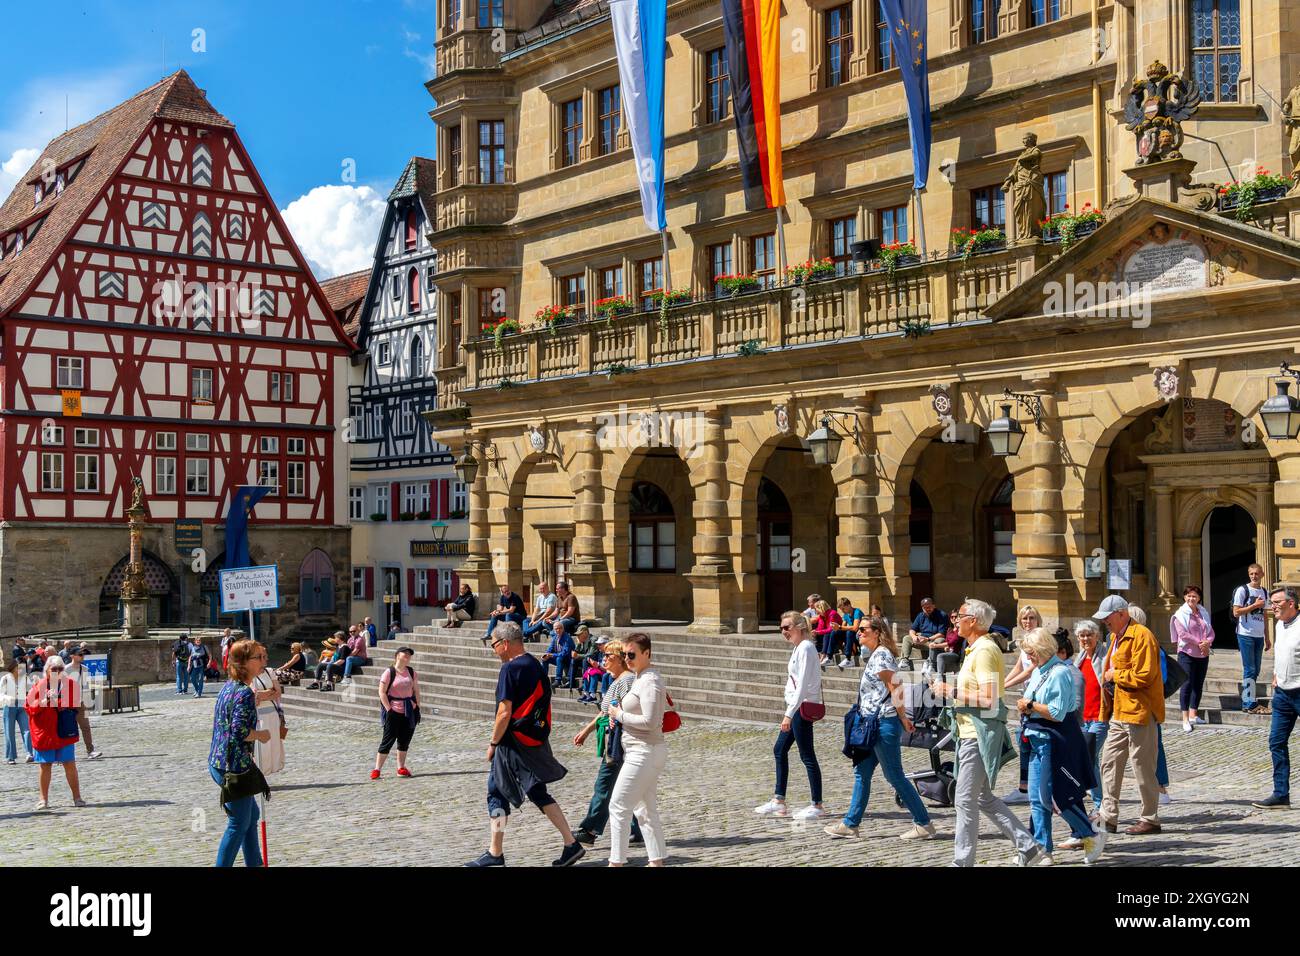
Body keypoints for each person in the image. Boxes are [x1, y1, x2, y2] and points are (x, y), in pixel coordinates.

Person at [931, 598, 1043, 867]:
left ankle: (962, 861)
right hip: (970, 730)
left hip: (977, 734)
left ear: (975, 621)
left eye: (960, 615)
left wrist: (951, 691)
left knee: (965, 799)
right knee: (982, 798)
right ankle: (1028, 846)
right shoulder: (974, 649)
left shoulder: (983, 650)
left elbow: (989, 699)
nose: (955, 619)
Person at [466, 621, 584, 867]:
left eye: (494, 645)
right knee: (537, 792)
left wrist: (493, 742)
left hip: (512, 742)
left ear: (505, 644)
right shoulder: (534, 664)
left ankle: (495, 853)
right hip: (534, 739)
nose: (494, 650)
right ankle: (571, 843)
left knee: (496, 793)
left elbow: (504, 712)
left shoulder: (509, 669)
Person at [824, 615, 936, 840]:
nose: (859, 633)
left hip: (883, 723)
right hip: (870, 725)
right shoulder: (875, 655)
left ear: (877, 631)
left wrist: (903, 718)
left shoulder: (882, 655)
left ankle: (924, 824)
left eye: (864, 629)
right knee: (861, 773)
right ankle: (851, 823)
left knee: (894, 775)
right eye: (860, 630)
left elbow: (896, 687)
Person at [1015, 627, 1105, 865]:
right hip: (1036, 740)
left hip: (1054, 742)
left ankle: (1090, 833)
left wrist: (1030, 705)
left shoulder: (1060, 673)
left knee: (1052, 798)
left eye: (1031, 652)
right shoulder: (1039, 671)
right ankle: (1042, 849)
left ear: (1043, 649)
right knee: (1036, 798)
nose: (1029, 657)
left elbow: (1057, 712)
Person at [1094, 594, 1164, 835]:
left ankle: (1150, 818)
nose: (1104, 622)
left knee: (1142, 767)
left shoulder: (1142, 636)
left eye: (1107, 617)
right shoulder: (1115, 637)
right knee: (1109, 762)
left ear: (1122, 614)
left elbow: (1144, 675)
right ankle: (1108, 815)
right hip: (1120, 711)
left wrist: (1115, 676)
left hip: (1139, 712)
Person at [571, 640, 644, 846]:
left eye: (608, 657)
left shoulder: (626, 681)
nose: (604, 660)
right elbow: (605, 711)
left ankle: (590, 830)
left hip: (619, 743)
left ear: (620, 659)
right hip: (614, 740)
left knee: (604, 785)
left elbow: (627, 710)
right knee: (623, 787)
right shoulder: (617, 680)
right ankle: (636, 829)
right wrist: (586, 731)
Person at [754, 611, 825, 820]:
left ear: (800, 626)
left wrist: (788, 714)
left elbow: (802, 685)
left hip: (801, 708)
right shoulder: (798, 647)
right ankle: (778, 800)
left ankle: (817, 804)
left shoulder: (806, 647)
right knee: (780, 749)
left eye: (787, 627)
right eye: (781, 628)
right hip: (796, 706)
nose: (783, 631)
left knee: (807, 755)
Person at [607, 633, 669, 866]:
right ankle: (657, 861)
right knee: (645, 809)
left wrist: (619, 715)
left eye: (631, 654)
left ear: (647, 653)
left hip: (645, 750)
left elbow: (651, 721)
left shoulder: (650, 680)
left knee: (619, 805)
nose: (627, 659)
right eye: (624, 655)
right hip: (641, 750)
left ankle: (616, 862)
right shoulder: (640, 677)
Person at [208, 640, 270, 867]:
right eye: (258, 657)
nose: (263, 661)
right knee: (238, 823)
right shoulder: (242, 692)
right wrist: (261, 735)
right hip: (233, 767)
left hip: (219, 761)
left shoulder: (230, 686)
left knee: (250, 817)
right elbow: (239, 731)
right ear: (244, 663)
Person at [1253, 586, 1300, 808]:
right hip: (1282, 694)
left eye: (1277, 602)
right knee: (1276, 742)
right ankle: (1281, 794)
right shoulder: (1280, 625)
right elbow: (1281, 653)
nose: (1273, 606)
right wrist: (1275, 675)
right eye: (1271, 602)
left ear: (1291, 603)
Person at [27, 656, 85, 809]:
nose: (57, 671)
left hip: (64, 731)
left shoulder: (70, 684)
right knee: (45, 766)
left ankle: (77, 798)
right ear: (47, 670)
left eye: (60, 669)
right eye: (54, 669)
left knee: (70, 764)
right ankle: (43, 799)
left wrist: (56, 702)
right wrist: (43, 702)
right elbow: (29, 708)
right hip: (45, 733)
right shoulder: (39, 685)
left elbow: (75, 703)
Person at [1001, 605, 1044, 804]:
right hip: (1026, 698)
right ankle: (1026, 786)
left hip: (1037, 698)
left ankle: (1027, 788)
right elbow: (1019, 667)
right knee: (1024, 742)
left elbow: (1030, 671)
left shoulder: (1039, 639)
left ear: (1038, 620)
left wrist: (1004, 686)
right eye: (1024, 618)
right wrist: (1001, 684)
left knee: (1030, 742)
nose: (1028, 622)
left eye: (1031, 618)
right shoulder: (1025, 641)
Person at [1073, 619, 1110, 812]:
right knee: (1088, 759)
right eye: (1082, 635)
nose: (1086, 638)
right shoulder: (1078, 659)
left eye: (1089, 634)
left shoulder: (1104, 657)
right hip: (1082, 718)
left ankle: (1099, 804)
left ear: (1097, 636)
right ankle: (1099, 802)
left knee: (1089, 757)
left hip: (1099, 716)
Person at [1170, 585, 1214, 732]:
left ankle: (1194, 714)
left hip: (1202, 653)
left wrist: (1208, 642)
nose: (1191, 598)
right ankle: (1185, 718)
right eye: (1189, 596)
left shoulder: (1203, 612)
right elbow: (1182, 634)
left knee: (1198, 684)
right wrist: (1200, 642)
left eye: (1194, 596)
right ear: (1184, 597)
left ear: (1199, 598)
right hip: (1186, 653)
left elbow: (1210, 630)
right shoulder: (1180, 614)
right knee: (1187, 684)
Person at [373, 647, 421, 779]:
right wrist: (389, 709)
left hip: (409, 710)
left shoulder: (411, 672)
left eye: (409, 654)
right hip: (393, 710)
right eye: (404, 653)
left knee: (404, 740)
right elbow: (382, 692)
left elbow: (416, 690)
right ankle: (377, 769)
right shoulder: (389, 672)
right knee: (388, 739)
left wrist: (417, 706)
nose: (407, 656)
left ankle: (401, 767)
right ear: (397, 656)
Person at [1233, 563, 1271, 714]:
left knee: (1256, 670)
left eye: (1257, 573)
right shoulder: (1243, 590)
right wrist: (1254, 606)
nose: (1254, 576)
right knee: (1250, 669)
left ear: (1262, 574)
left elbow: (1265, 615)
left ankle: (1248, 700)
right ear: (1249, 575)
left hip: (1258, 635)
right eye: (1251, 574)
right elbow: (1236, 612)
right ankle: (1249, 702)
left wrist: (1267, 637)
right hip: (1245, 634)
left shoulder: (1264, 591)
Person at [249, 644, 287, 778]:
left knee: (273, 744)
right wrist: (268, 693)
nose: (266, 659)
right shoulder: (249, 674)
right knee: (261, 747)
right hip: (259, 715)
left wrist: (263, 694)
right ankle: (258, 774)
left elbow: (277, 692)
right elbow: (253, 697)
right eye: (263, 657)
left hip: (272, 713)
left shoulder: (269, 671)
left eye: (266, 656)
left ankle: (265, 775)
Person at [64, 646, 102, 760]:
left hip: (80, 702)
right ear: (72, 656)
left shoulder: (84, 668)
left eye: (82, 654)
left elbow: (85, 686)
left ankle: (90, 751)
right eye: (79, 654)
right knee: (69, 728)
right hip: (68, 703)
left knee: (85, 727)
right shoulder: (66, 669)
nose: (82, 656)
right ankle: (67, 752)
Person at [2, 657, 34, 764]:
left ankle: (29, 753)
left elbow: (31, 691)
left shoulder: (25, 678)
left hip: (22, 705)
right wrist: (7, 698)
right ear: (14, 666)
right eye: (19, 666)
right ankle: (11, 757)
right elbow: (1, 693)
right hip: (9, 707)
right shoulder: (6, 678)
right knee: (9, 732)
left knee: (27, 730)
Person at [901, 597, 948, 669]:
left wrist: (928, 639)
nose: (927, 609)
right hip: (922, 640)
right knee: (906, 638)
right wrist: (914, 637)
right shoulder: (920, 616)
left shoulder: (942, 615)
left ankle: (931, 663)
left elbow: (942, 633)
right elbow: (912, 629)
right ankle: (905, 661)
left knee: (940, 640)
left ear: (933, 606)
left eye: (929, 607)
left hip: (933, 639)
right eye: (925, 608)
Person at [540, 625, 576, 689]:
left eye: (560, 628)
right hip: (559, 659)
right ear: (554, 630)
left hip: (568, 660)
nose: (558, 630)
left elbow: (565, 653)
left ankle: (558, 680)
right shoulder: (555, 637)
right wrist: (546, 655)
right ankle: (544, 679)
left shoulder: (567, 638)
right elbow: (550, 648)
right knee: (545, 660)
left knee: (559, 658)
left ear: (563, 629)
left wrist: (552, 655)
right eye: (556, 629)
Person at [837, 598, 865, 669]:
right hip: (852, 637)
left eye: (843, 609)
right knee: (835, 632)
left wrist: (840, 627)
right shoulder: (846, 615)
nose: (842, 611)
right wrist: (837, 628)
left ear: (849, 605)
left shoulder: (857, 612)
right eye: (841, 610)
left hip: (861, 636)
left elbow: (855, 628)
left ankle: (848, 658)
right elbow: (843, 627)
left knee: (849, 632)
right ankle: (829, 656)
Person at [812, 599, 841, 667]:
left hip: (838, 632)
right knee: (816, 635)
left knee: (827, 634)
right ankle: (817, 654)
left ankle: (823, 656)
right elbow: (820, 628)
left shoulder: (832, 613)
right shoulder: (822, 616)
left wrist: (818, 632)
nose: (816, 611)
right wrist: (815, 632)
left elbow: (831, 629)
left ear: (821, 608)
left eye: (816, 609)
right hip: (830, 633)